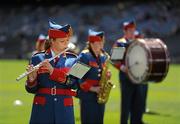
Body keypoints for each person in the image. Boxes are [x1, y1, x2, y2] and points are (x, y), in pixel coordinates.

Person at [25, 20, 78, 124]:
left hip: (64, 109)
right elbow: (31, 89)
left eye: (67, 40)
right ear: (52, 41)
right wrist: (31, 80)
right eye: (62, 41)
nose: (66, 44)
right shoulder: (37, 58)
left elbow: (75, 84)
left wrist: (53, 72)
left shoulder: (74, 59)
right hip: (42, 109)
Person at [112, 20, 144, 124]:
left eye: (133, 30)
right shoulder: (120, 42)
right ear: (125, 31)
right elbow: (115, 60)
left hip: (138, 77)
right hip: (125, 77)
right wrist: (121, 67)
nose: (132, 32)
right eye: (129, 30)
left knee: (138, 103)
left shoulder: (139, 41)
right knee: (126, 104)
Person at [77, 29, 111, 124]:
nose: (101, 45)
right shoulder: (85, 56)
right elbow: (77, 78)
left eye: (101, 42)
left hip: (100, 96)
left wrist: (107, 75)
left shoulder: (103, 56)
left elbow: (101, 73)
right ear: (91, 43)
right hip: (87, 97)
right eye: (98, 43)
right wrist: (93, 88)